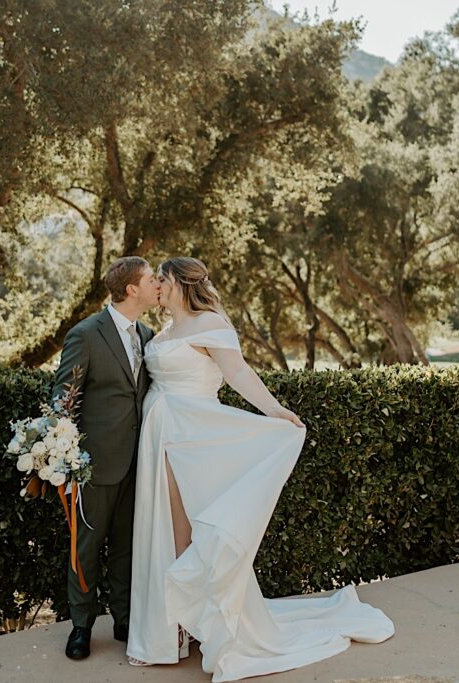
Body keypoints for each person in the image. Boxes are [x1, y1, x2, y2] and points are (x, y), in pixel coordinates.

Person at [126, 256, 394, 682]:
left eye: (162, 278)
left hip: (195, 436)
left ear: (178, 282)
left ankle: (193, 623)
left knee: (191, 531)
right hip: (161, 435)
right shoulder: (164, 331)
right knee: (165, 529)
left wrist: (275, 409)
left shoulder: (210, 323)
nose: (156, 284)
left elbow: (236, 372)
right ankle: (173, 626)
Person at [51, 256, 160, 660]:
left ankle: (124, 620)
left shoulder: (149, 334)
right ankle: (81, 626)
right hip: (95, 463)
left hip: (140, 462)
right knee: (86, 546)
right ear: (131, 289)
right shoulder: (86, 334)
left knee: (127, 546)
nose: (157, 285)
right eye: (151, 280)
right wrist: (66, 453)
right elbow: (63, 397)